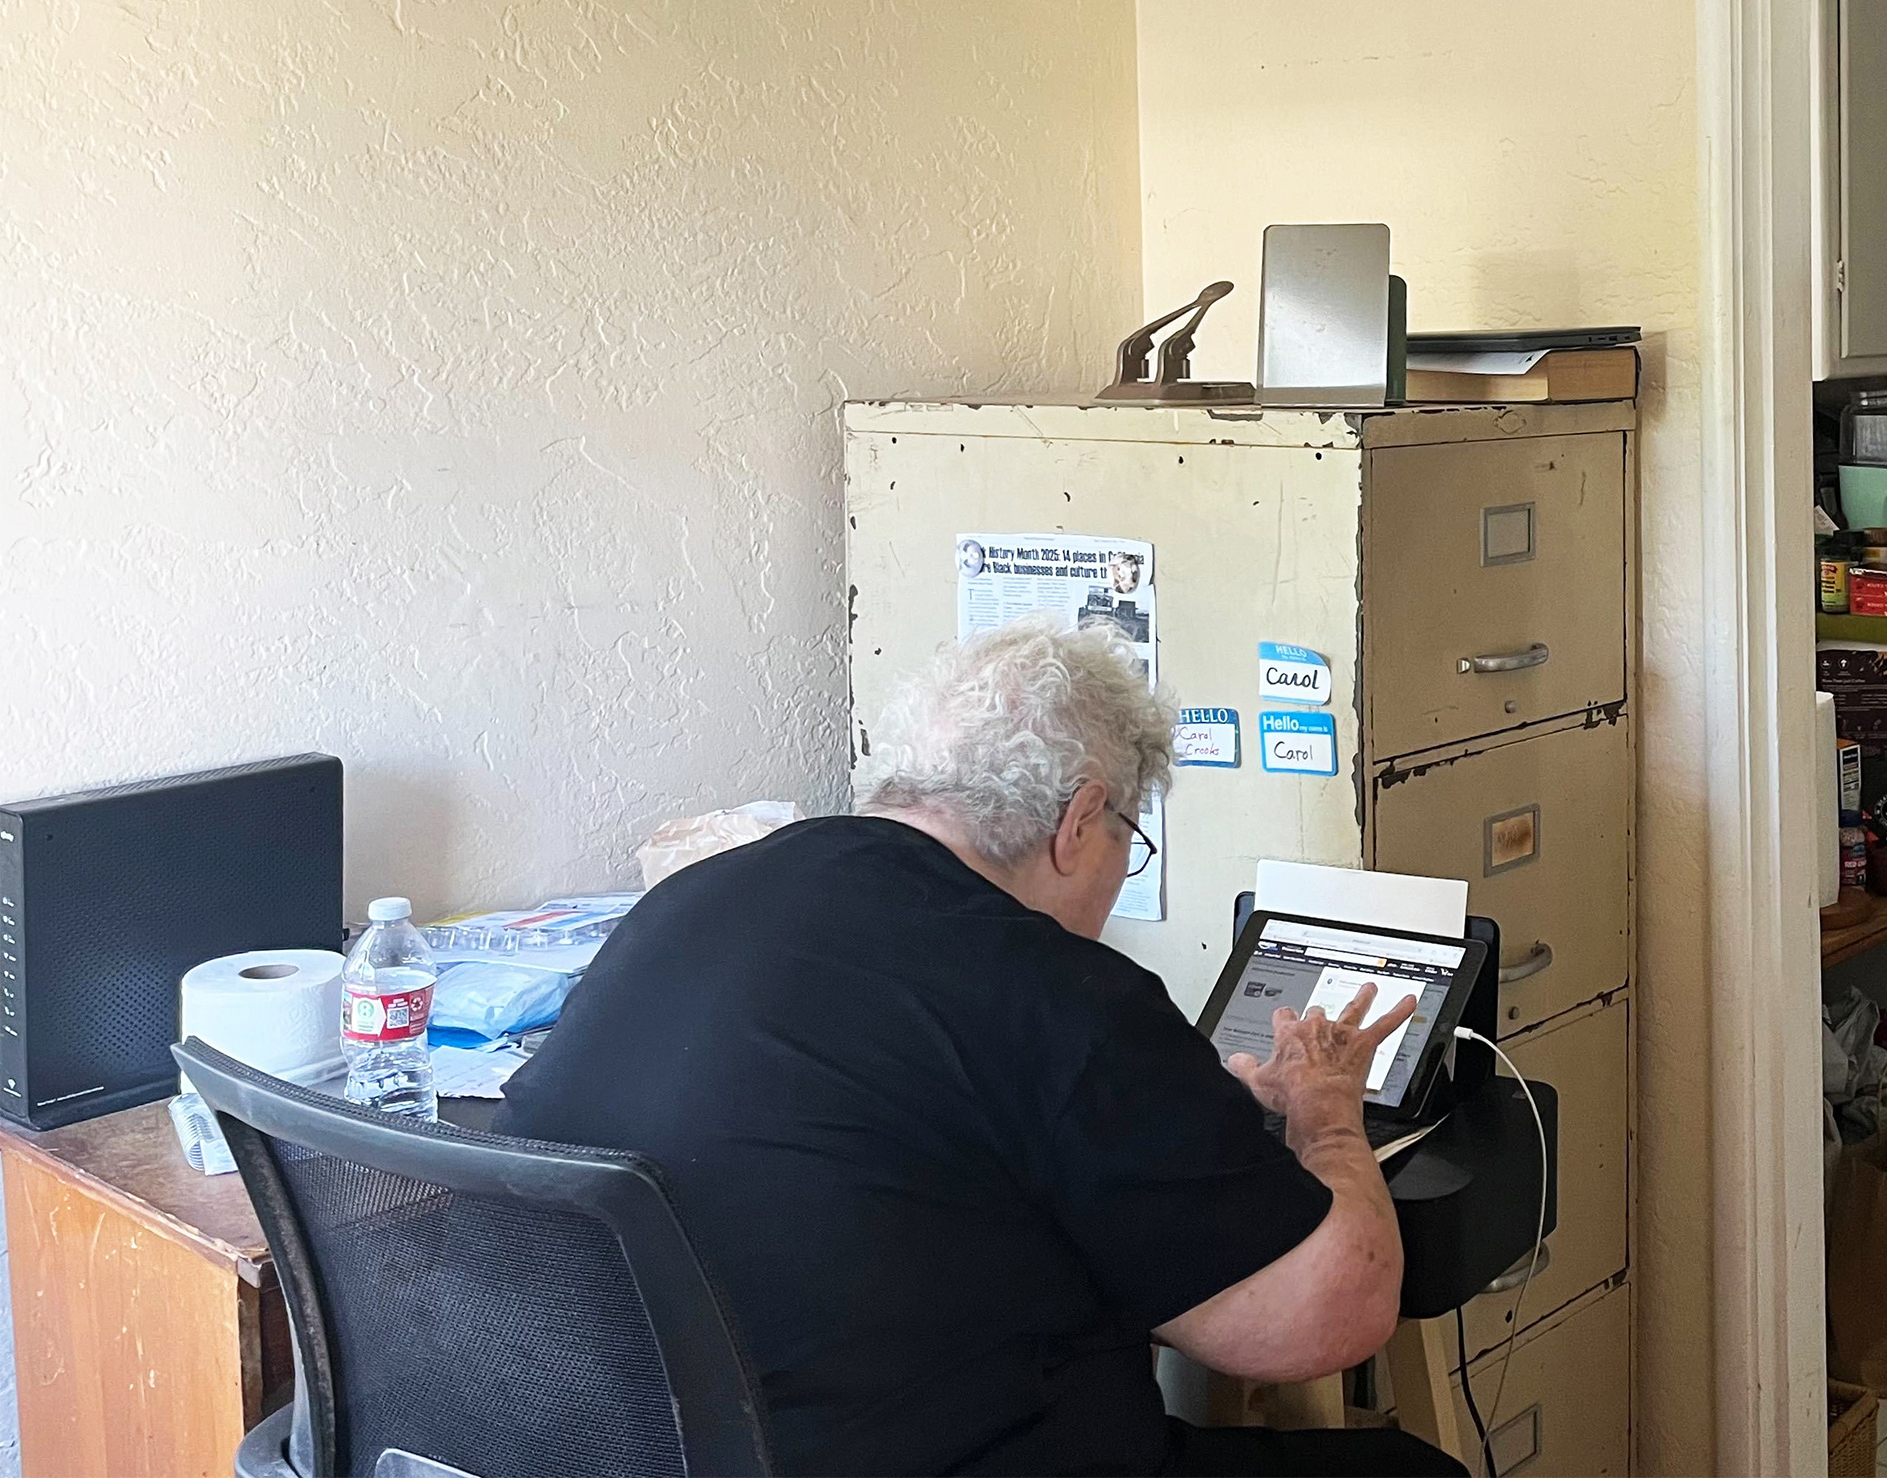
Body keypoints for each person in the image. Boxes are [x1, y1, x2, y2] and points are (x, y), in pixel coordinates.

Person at [500, 620, 1464, 1477]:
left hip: (616, 1443)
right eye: (1128, 838)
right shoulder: (1057, 992)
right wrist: (1325, 1111)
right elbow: (1321, 1319)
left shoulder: (697, 898)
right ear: (1079, 821)